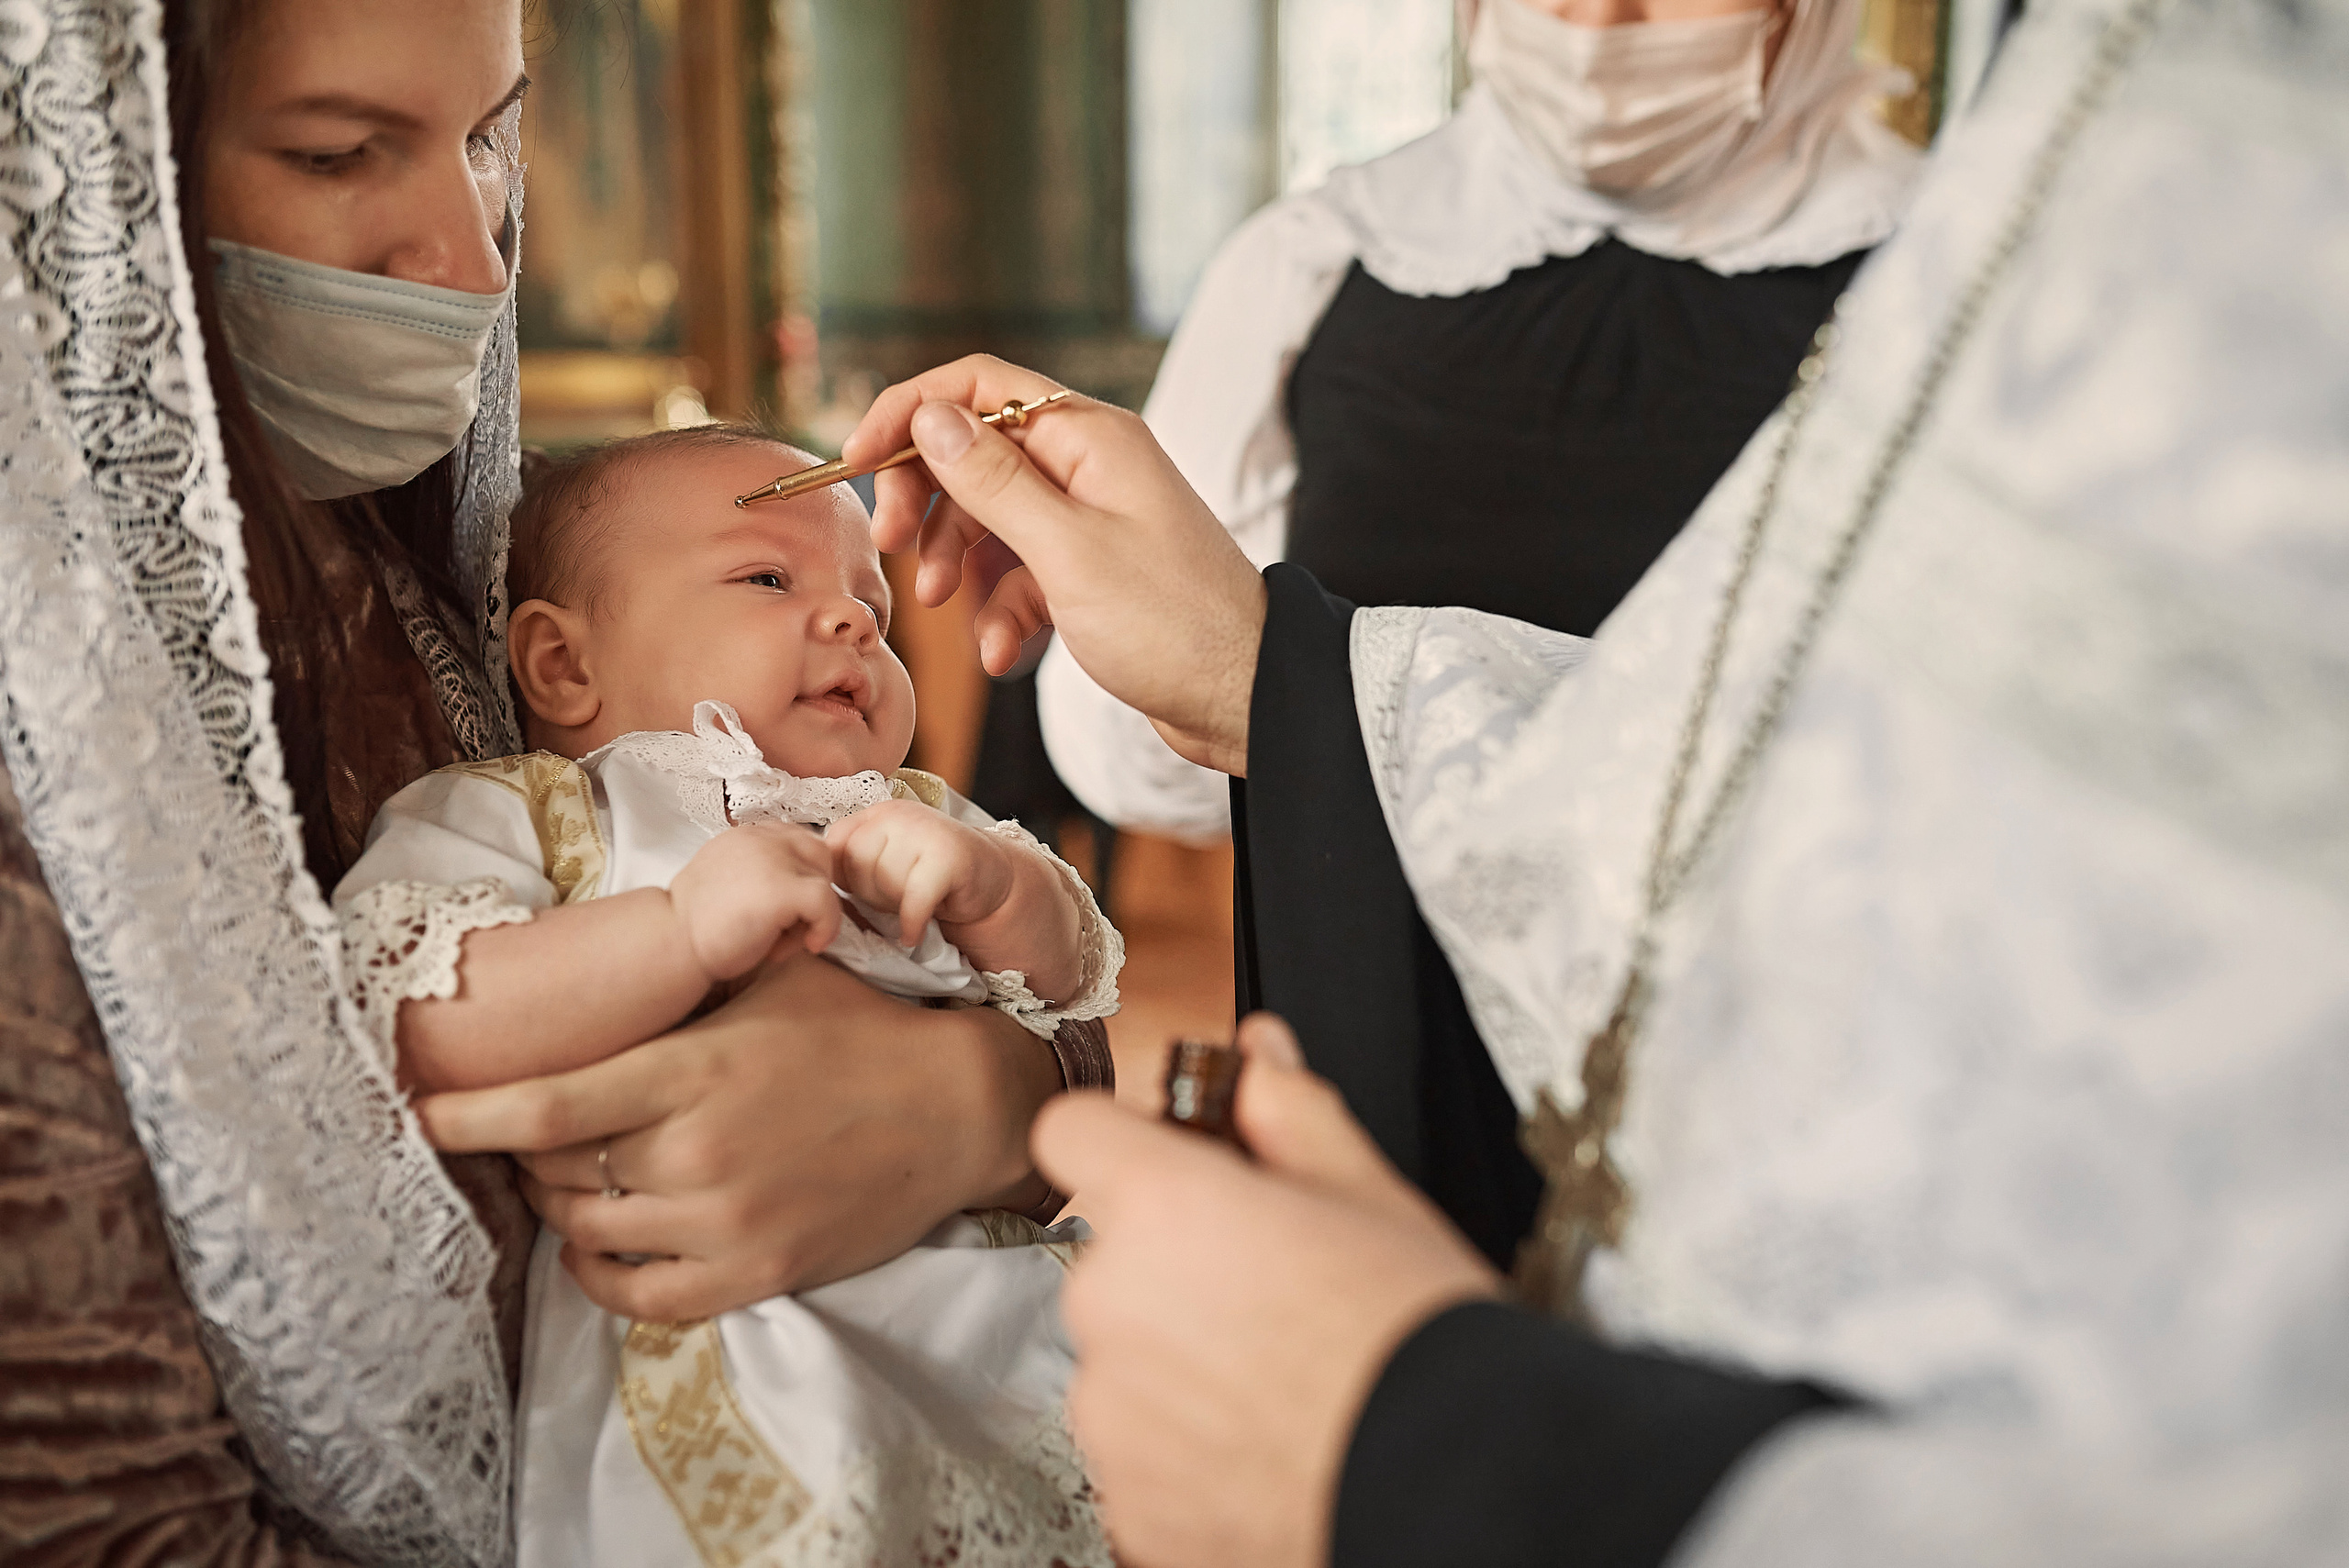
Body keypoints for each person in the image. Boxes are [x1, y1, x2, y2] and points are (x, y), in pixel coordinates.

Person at [838, 0, 2349, 1560]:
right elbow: (1761, 789)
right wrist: (1254, 674)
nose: (1604, 14)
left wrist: (1444, 1448)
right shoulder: (1337, 256)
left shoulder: (1959, 224)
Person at [0, 1, 1104, 1559]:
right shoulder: (545, 794)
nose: (475, 260)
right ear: (109, 163)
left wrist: (976, 1089)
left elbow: (1078, 1024)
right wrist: (695, 941)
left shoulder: (420, 556)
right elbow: (414, 1008)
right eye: (337, 152)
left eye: (492, 140)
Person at [335, 427, 1116, 1565]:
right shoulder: (542, 813)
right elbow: (408, 1000)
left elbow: (1073, 997)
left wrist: (1006, 887)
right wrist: (675, 930)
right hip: (735, 1359)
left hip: (995, 1318)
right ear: (562, 665)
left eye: (875, 606)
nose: (852, 618)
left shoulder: (910, 811)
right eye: (766, 577)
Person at [1039, 0, 1921, 844]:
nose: (1596, 21)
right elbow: (1135, 749)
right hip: (1373, 985)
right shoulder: (1314, 261)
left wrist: (1281, 687)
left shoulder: (1950, 284)